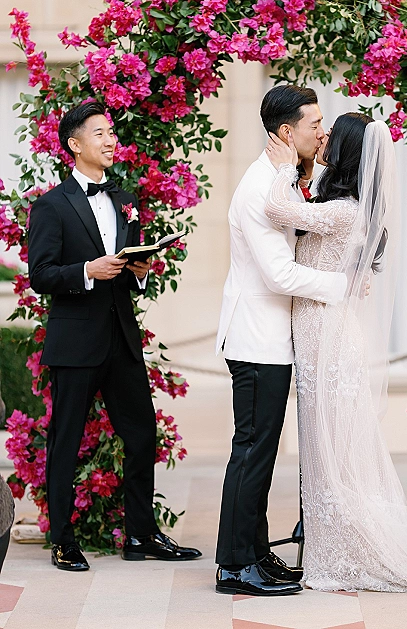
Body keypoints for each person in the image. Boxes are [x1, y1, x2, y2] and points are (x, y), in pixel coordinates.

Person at [264, 112, 407, 593]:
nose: (324, 138)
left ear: (348, 153)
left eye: (332, 136)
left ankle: (342, 552)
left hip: (326, 337)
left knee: (331, 445)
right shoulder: (351, 208)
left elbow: (277, 211)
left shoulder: (344, 210)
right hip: (327, 333)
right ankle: (333, 543)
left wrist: (286, 168)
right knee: (328, 443)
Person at [27, 101, 201, 572]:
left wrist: (138, 271)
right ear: (74, 144)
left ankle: (141, 535)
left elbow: (126, 270)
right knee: (66, 438)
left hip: (120, 338)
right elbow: (40, 274)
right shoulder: (50, 206)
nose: (110, 140)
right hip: (75, 341)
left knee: (142, 434)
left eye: (112, 132)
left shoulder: (125, 199)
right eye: (99, 133)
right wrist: (87, 270)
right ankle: (63, 539)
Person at [214, 85, 348, 596]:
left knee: (262, 453)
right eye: (314, 124)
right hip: (255, 341)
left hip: (272, 340)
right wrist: (341, 287)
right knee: (250, 453)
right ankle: (234, 565)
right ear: (287, 132)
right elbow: (278, 274)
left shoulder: (281, 179)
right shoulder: (256, 188)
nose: (323, 131)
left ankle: (257, 552)